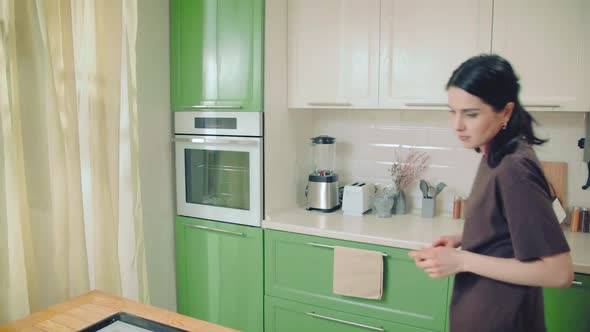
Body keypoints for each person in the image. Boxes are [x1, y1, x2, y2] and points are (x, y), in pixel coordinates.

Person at [408, 54, 573, 332]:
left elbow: (559, 273)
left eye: (470, 114)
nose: (457, 125)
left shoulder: (514, 168)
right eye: (452, 111)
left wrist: (461, 260)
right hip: (483, 314)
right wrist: (465, 238)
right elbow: (508, 228)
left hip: (504, 320)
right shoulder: (494, 152)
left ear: (506, 112)